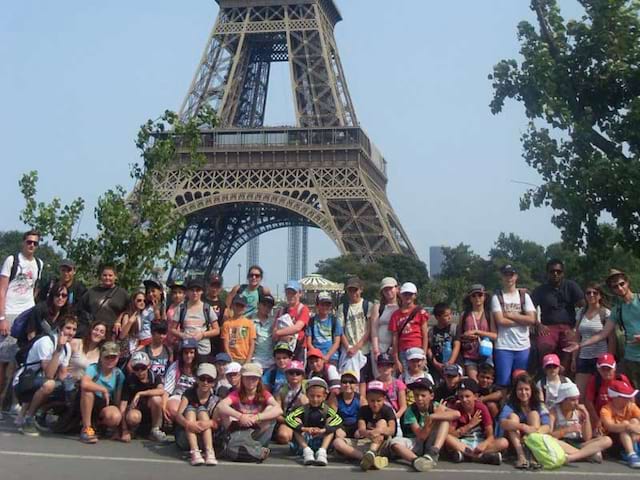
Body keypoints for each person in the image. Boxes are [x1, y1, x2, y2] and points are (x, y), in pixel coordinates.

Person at [568, 269, 640, 389]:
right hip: (630, 358)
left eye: (622, 284)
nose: (620, 288)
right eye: (615, 286)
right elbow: (603, 334)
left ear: (627, 282)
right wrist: (580, 345)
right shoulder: (617, 309)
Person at [0, 230, 43, 417]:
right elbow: (2, 289)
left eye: (35, 243)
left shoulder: (39, 264)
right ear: (23, 242)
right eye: (29, 242)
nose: (31, 245)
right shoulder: (12, 260)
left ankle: (14, 401)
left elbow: (35, 290)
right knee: (3, 362)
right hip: (10, 312)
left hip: (27, 314)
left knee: (21, 361)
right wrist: (2, 318)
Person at [17, 315, 77, 436]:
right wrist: (58, 349)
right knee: (49, 384)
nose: (71, 332)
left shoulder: (68, 348)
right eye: (68, 328)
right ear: (60, 329)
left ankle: (40, 414)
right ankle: (28, 419)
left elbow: (62, 374)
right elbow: (49, 374)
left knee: (70, 388)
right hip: (25, 381)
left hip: (41, 380)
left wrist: (73, 385)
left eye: (74, 329)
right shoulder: (46, 342)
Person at [391, 377, 459, 471]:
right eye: (416, 395)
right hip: (417, 442)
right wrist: (430, 419)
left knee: (444, 420)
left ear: (431, 396)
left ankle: (434, 452)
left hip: (431, 442)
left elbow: (457, 414)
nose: (419, 399)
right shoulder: (411, 410)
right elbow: (421, 435)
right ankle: (416, 460)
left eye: (423, 395)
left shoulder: (435, 406)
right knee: (394, 443)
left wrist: (434, 416)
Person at [216, 363, 283, 457]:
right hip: (240, 428)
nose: (250, 381)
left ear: (259, 380)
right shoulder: (236, 393)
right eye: (247, 378)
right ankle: (248, 447)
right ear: (242, 379)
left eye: (254, 378)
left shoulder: (264, 394)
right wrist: (241, 416)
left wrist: (257, 417)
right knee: (224, 412)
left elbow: (278, 409)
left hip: (255, 429)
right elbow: (221, 406)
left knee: (271, 409)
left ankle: (254, 445)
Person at [532, 259, 585, 371]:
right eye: (552, 271)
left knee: (571, 347)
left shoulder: (571, 286)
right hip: (548, 327)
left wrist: (576, 328)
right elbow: (530, 309)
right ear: (547, 273)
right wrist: (538, 324)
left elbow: (583, 306)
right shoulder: (540, 290)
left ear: (563, 273)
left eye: (558, 271)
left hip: (568, 326)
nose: (555, 274)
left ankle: (564, 376)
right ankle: (546, 374)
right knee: (544, 346)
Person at [491, 264, 537, 387]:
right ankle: (505, 406)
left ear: (516, 277)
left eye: (511, 275)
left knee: (521, 381)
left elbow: (532, 319)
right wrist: (523, 319)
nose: (509, 278)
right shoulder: (497, 297)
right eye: (506, 275)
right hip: (503, 346)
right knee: (503, 382)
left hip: (523, 346)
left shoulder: (524, 296)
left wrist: (510, 315)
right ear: (501, 277)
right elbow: (500, 321)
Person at [333, 380, 395, 471]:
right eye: (372, 401)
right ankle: (365, 458)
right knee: (337, 442)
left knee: (381, 422)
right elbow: (361, 429)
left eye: (379, 401)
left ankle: (372, 452)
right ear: (367, 399)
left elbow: (392, 429)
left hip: (382, 443)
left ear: (384, 399)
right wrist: (369, 433)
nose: (375, 404)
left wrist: (378, 431)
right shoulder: (363, 410)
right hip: (365, 441)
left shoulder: (387, 410)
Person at [445, 378, 508, 465]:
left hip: (479, 442)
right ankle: (480, 457)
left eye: (467, 396)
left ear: (475, 396)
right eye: (461, 397)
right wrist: (469, 425)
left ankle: (467, 456)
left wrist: (484, 444)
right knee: (447, 438)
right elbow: (451, 434)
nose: (464, 400)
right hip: (463, 443)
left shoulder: (481, 408)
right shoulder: (456, 409)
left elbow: (490, 436)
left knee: (504, 442)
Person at [497, 373, 551, 470]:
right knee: (513, 417)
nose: (523, 392)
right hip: (513, 441)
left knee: (534, 414)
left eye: (526, 389)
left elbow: (547, 426)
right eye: (520, 389)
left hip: (531, 440)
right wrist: (523, 427)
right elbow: (502, 422)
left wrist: (532, 432)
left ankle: (533, 456)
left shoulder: (539, 405)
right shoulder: (510, 404)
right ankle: (521, 456)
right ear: (515, 391)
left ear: (532, 390)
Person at [549, 382, 612, 464]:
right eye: (572, 400)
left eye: (577, 399)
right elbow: (549, 435)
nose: (576, 403)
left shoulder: (579, 412)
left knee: (607, 440)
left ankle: (572, 457)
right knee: (552, 441)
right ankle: (587, 454)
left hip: (578, 443)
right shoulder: (553, 412)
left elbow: (587, 438)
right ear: (563, 400)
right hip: (563, 443)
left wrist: (587, 415)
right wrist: (567, 430)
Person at [285, 377, 342, 466]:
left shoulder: (327, 410)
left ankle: (322, 452)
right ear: (307, 395)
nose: (315, 399)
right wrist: (304, 429)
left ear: (324, 396)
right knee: (296, 421)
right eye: (312, 396)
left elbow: (338, 420)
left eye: (318, 396)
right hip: (306, 439)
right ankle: (306, 451)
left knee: (331, 423)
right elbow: (288, 418)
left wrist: (323, 430)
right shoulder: (303, 409)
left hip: (321, 439)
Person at [571, 283, 612, 401]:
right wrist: (574, 358)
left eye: (595, 293)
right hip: (584, 357)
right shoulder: (581, 312)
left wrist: (609, 358)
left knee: (601, 394)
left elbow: (611, 338)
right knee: (579, 394)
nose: (591, 295)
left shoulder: (606, 313)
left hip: (601, 357)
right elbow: (577, 336)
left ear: (600, 295)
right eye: (588, 293)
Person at [79, 341, 125, 444]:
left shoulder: (118, 374)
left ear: (118, 358)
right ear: (101, 357)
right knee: (88, 391)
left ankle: (98, 426)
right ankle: (87, 428)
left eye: (113, 357)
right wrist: (102, 389)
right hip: (89, 402)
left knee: (115, 416)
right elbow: (84, 383)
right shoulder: (94, 368)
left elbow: (117, 400)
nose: (110, 360)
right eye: (107, 357)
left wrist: (120, 428)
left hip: (105, 405)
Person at [174, 363, 220, 466]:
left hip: (206, 437)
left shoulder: (216, 399)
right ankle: (194, 451)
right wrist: (188, 424)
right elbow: (178, 415)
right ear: (197, 379)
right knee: (190, 410)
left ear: (214, 383)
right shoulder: (188, 393)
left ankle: (209, 451)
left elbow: (217, 423)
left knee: (203, 412)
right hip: (185, 436)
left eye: (209, 380)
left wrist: (208, 423)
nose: (205, 382)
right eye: (202, 378)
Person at [118, 351, 167, 442]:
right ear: (132, 368)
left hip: (151, 410)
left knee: (157, 399)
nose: (140, 371)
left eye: (143, 368)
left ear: (148, 366)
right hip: (136, 411)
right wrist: (124, 430)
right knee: (133, 417)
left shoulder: (155, 377)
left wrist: (140, 393)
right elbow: (123, 406)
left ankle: (155, 429)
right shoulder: (129, 380)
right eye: (136, 368)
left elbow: (161, 391)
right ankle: (133, 430)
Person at [338, 277, 378, 384]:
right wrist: (348, 347)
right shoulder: (343, 308)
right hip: (348, 350)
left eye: (355, 290)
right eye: (350, 290)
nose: (353, 293)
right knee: (349, 380)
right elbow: (340, 330)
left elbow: (369, 329)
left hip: (363, 349)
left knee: (363, 380)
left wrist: (357, 347)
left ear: (361, 290)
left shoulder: (367, 306)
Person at [77, 265, 129, 339]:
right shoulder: (91, 292)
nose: (107, 278)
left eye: (110, 275)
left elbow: (129, 310)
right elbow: (80, 309)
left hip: (112, 334)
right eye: (104, 275)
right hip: (93, 332)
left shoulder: (122, 294)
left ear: (115, 277)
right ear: (101, 277)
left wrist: (119, 321)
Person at [171, 279, 219, 357]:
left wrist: (203, 334)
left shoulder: (207, 308)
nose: (195, 293)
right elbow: (172, 329)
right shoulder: (181, 308)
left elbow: (217, 330)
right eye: (192, 290)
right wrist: (182, 335)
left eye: (198, 290)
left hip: (202, 350)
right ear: (187, 292)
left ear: (202, 292)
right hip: (186, 349)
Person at [457, 284, 496, 380]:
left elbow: (495, 335)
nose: (477, 298)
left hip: (486, 354)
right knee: (474, 382)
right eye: (474, 296)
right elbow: (459, 336)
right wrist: (466, 336)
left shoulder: (489, 314)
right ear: (470, 298)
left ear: (484, 297)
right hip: (470, 354)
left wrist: (477, 332)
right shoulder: (465, 315)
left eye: (480, 295)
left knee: (485, 382)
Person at [584, 353, 631, 432]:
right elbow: (589, 401)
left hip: (621, 417)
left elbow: (630, 398)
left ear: (614, 368)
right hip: (602, 418)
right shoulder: (595, 380)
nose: (606, 372)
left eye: (609, 369)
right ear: (598, 369)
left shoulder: (621, 379)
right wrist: (597, 420)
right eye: (603, 369)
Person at [389, 282, 428, 374]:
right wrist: (396, 359)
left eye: (410, 294)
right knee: (406, 376)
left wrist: (424, 355)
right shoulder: (396, 315)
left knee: (418, 375)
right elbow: (394, 338)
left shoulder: (420, 312)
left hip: (417, 348)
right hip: (403, 350)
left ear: (415, 296)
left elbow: (425, 335)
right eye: (405, 294)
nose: (407, 297)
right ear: (401, 295)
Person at [600, 378, 640, 468]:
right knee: (624, 425)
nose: (629, 399)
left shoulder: (631, 406)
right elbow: (610, 426)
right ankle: (631, 454)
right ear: (616, 397)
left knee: (635, 421)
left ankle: (634, 450)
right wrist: (628, 426)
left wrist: (635, 427)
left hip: (632, 437)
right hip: (614, 441)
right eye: (626, 397)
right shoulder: (606, 409)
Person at [164, 338, 199, 422]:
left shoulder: (200, 367)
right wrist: (163, 407)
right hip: (178, 396)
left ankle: (187, 425)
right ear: (182, 353)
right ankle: (188, 425)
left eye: (191, 353)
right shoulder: (175, 366)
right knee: (174, 410)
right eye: (186, 353)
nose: (188, 355)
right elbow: (167, 390)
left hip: (193, 399)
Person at [273, 280, 309, 361]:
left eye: (293, 293)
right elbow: (274, 330)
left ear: (300, 293)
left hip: (298, 348)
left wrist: (279, 333)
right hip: (283, 348)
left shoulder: (303, 309)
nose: (291, 295)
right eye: (288, 293)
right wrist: (279, 335)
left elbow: (297, 328)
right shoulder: (281, 311)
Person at [274, 359, 308, 445]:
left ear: (303, 376)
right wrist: (288, 421)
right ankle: (295, 437)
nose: (294, 375)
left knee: (304, 399)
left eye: (298, 373)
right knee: (283, 437)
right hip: (287, 419)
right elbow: (277, 412)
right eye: (291, 373)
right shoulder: (281, 389)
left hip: (305, 420)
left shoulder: (308, 387)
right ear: (286, 375)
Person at [305, 292, 342, 365]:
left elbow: (336, 343)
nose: (325, 307)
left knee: (332, 374)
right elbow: (309, 343)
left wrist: (327, 356)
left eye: (327, 305)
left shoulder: (334, 320)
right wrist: (318, 356)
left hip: (332, 357)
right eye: (322, 304)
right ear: (317, 305)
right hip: (315, 357)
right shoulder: (311, 321)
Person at [428, 302, 460, 382]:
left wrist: (450, 362)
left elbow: (457, 345)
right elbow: (429, 348)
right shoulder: (431, 331)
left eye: (450, 314)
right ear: (437, 317)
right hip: (437, 366)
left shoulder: (454, 328)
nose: (449, 317)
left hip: (452, 364)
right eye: (446, 315)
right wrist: (435, 363)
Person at [221, 295, 256, 364]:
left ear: (245, 308)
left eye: (242, 306)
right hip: (232, 357)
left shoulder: (249, 323)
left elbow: (252, 343)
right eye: (237, 305)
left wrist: (248, 359)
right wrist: (230, 358)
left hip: (245, 358)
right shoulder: (227, 324)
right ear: (233, 306)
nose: (239, 308)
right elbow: (225, 343)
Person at [372, 277, 399, 366]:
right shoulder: (378, 307)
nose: (388, 292)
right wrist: (376, 350)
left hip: (395, 348)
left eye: (390, 288)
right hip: (380, 347)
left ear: (396, 288)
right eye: (385, 290)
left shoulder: (402, 307)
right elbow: (374, 329)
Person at [375, 352, 407, 420]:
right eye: (382, 365)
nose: (385, 367)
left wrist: (394, 418)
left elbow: (403, 406)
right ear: (378, 367)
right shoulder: (373, 384)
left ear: (392, 367)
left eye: (388, 365)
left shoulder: (398, 383)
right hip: (378, 417)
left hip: (394, 416)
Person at [329, 370, 360, 439]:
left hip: (356, 426)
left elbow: (364, 416)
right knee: (339, 434)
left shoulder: (360, 399)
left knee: (360, 434)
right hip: (341, 426)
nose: (347, 385)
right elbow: (332, 415)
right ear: (340, 384)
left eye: (351, 382)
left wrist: (361, 428)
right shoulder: (336, 399)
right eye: (344, 382)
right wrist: (337, 428)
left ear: (356, 385)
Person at [139, 279, 165, 346]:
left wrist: (156, 311)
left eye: (153, 291)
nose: (150, 294)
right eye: (148, 292)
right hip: (139, 339)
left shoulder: (163, 307)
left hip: (150, 340)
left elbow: (161, 326)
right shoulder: (145, 305)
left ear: (160, 291)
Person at [252, 293, 275, 367]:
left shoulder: (273, 322)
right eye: (264, 305)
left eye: (269, 306)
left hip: (270, 360)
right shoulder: (250, 321)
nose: (266, 308)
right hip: (254, 359)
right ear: (258, 305)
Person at [205, 274, 226, 355]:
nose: (215, 289)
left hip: (217, 341)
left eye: (217, 286)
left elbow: (224, 323)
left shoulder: (223, 304)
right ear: (207, 286)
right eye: (212, 285)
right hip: (204, 339)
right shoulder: (201, 302)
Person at [165, 281, 186, 351]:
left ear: (184, 294)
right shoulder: (169, 307)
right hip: (168, 342)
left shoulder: (186, 308)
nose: (177, 295)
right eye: (175, 293)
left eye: (180, 292)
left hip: (181, 342)